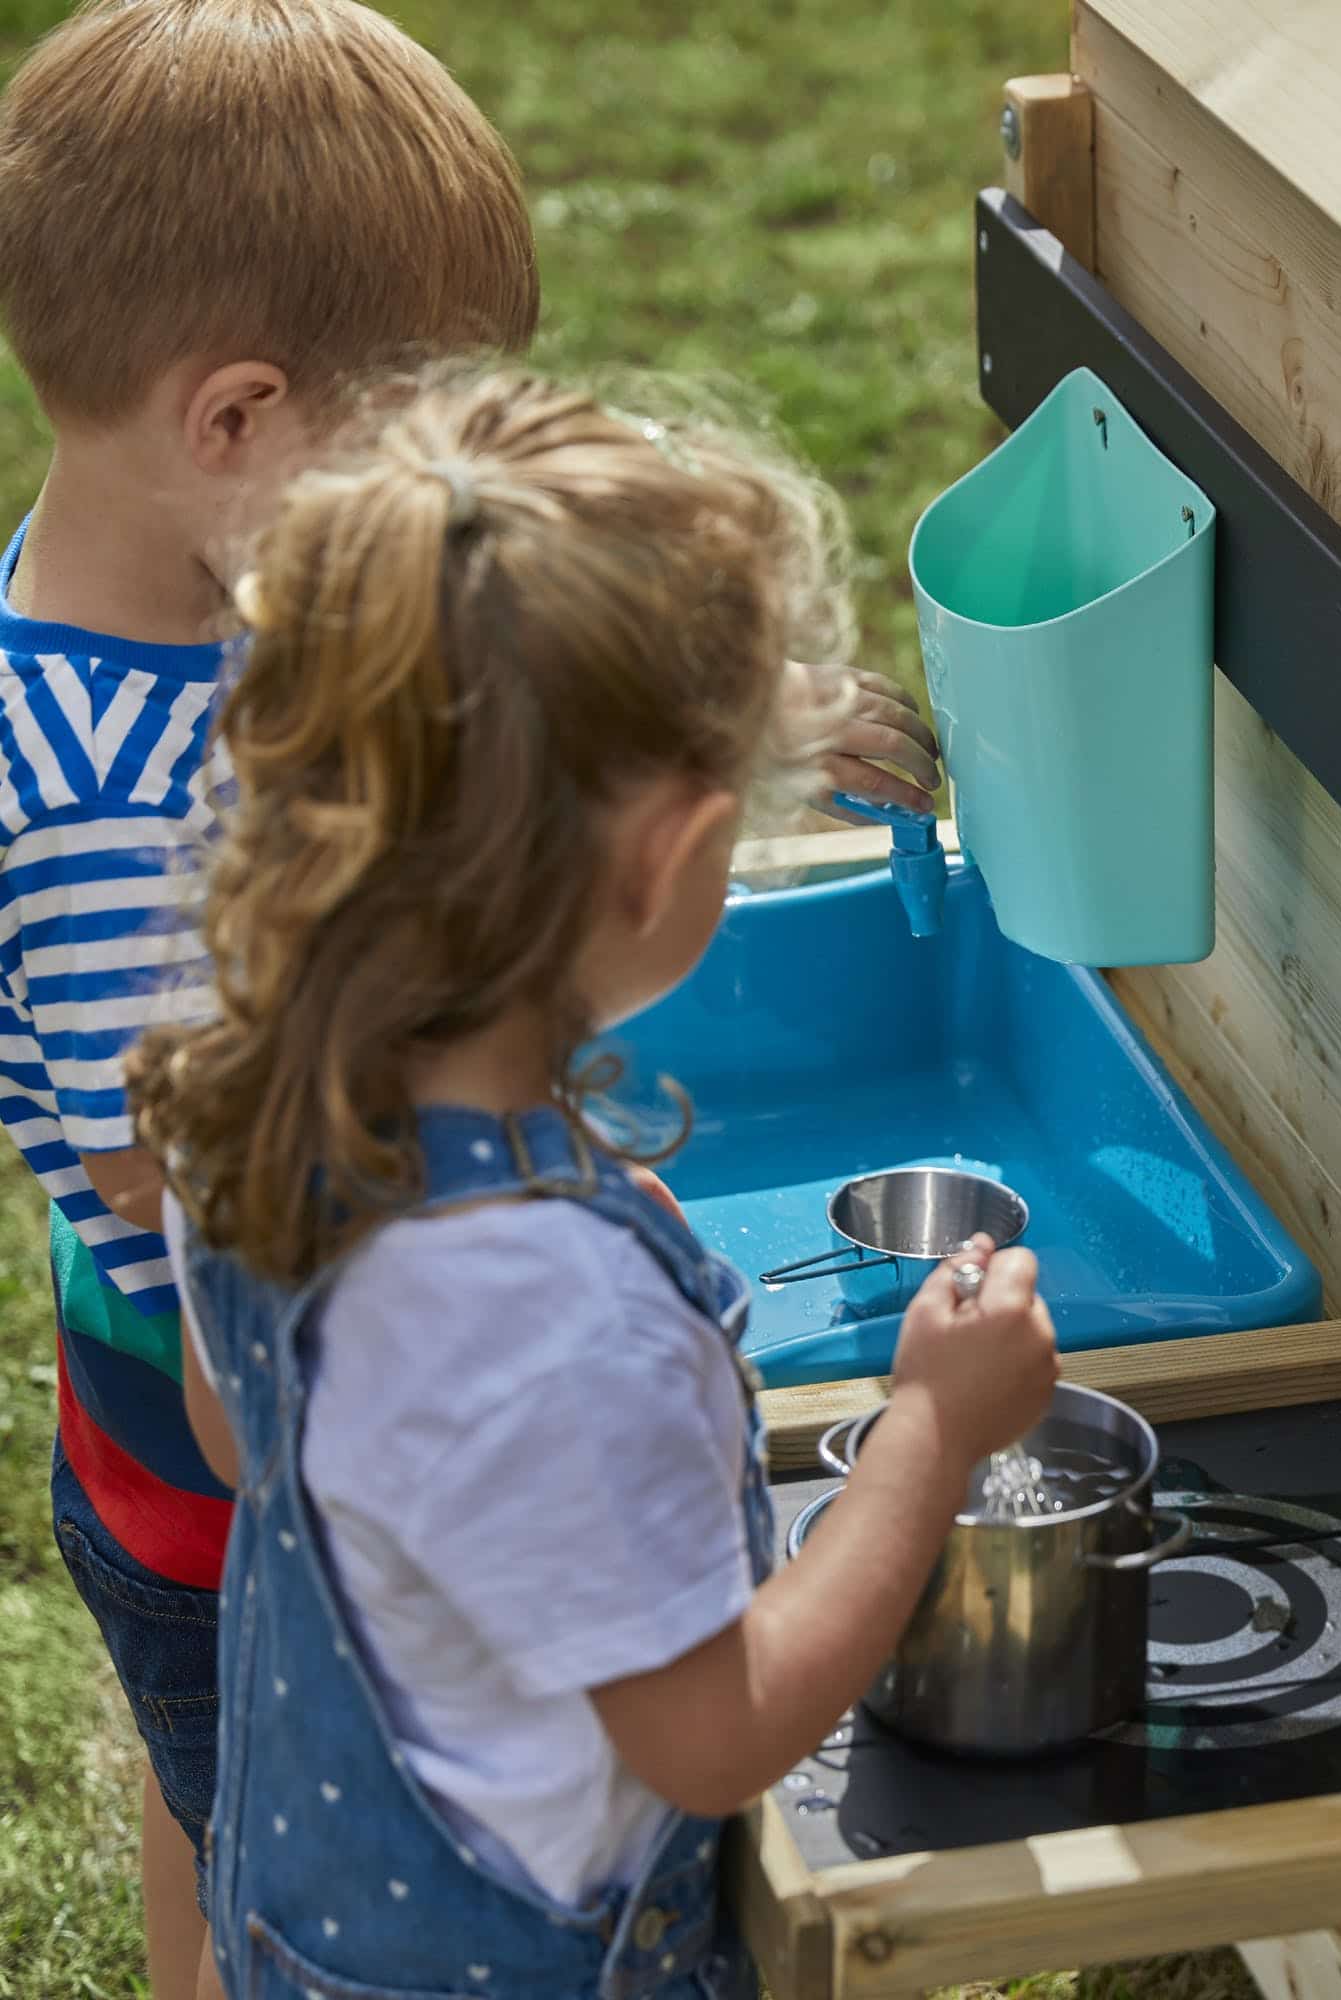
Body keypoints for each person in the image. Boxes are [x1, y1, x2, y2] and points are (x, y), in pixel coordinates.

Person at [0, 6, 937, 1994]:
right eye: (403, 425)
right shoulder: (101, 808)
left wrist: (745, 725)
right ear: (236, 418)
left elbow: (450, 718)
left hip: (247, 1405)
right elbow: (189, 1232)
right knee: (241, 1749)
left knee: (259, 1796)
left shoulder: (241, 619)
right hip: (204, 1453)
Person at [126, 366, 1058, 2000]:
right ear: (665, 856)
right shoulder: (545, 1314)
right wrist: (929, 1425)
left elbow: (237, 1430)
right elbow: (718, 1735)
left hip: (306, 1930)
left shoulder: (251, 1084)